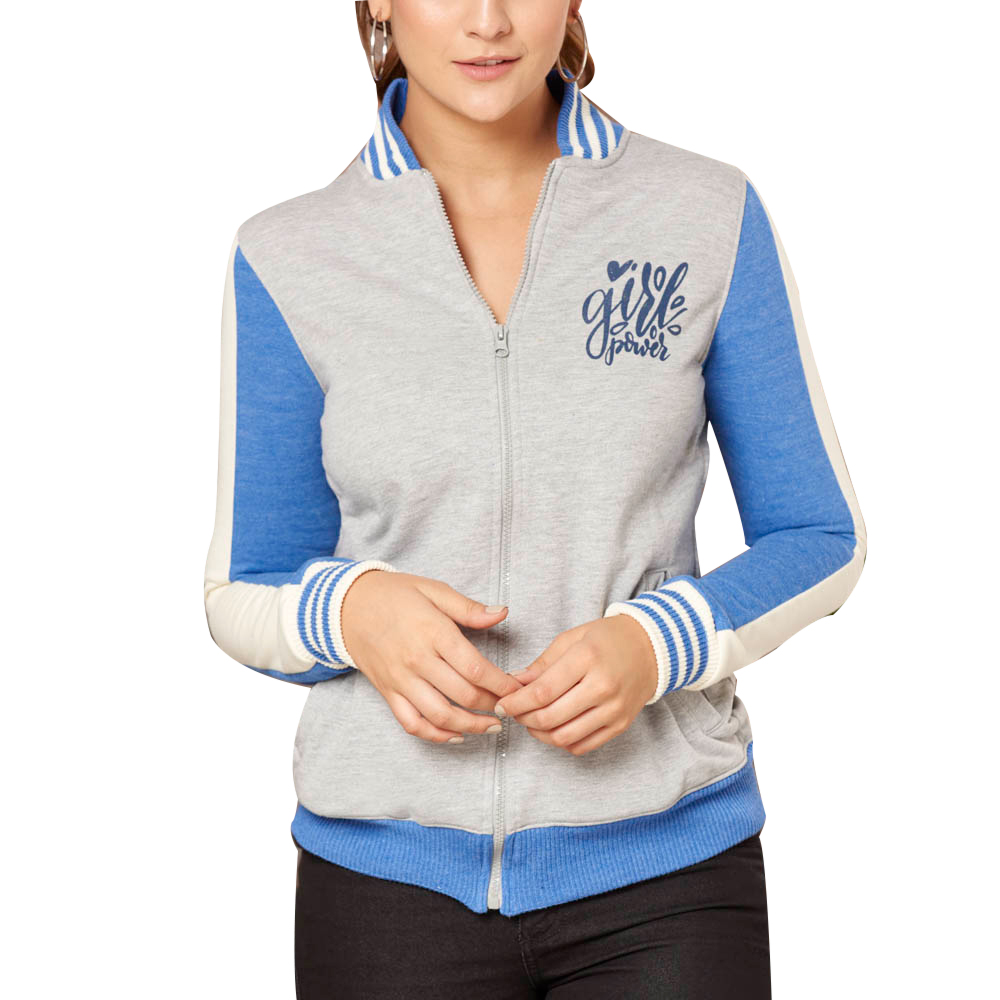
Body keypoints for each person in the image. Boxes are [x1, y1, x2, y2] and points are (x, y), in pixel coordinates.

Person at [202, 2, 867, 996]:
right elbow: (241, 587)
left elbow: (820, 535)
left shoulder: (702, 213)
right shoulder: (291, 254)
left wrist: (658, 644)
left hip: (668, 878)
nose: (488, 19)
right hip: (385, 888)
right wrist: (353, 611)